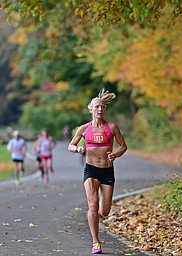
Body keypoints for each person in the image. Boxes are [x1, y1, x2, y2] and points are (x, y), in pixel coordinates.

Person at [68, 88, 127, 254]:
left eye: (102, 107)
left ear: (105, 109)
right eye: (96, 107)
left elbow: (124, 146)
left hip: (107, 171)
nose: (100, 109)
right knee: (92, 205)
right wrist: (77, 149)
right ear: (91, 109)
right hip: (91, 169)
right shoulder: (84, 129)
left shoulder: (112, 127)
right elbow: (70, 146)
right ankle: (96, 242)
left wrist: (115, 154)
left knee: (105, 211)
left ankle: (96, 218)